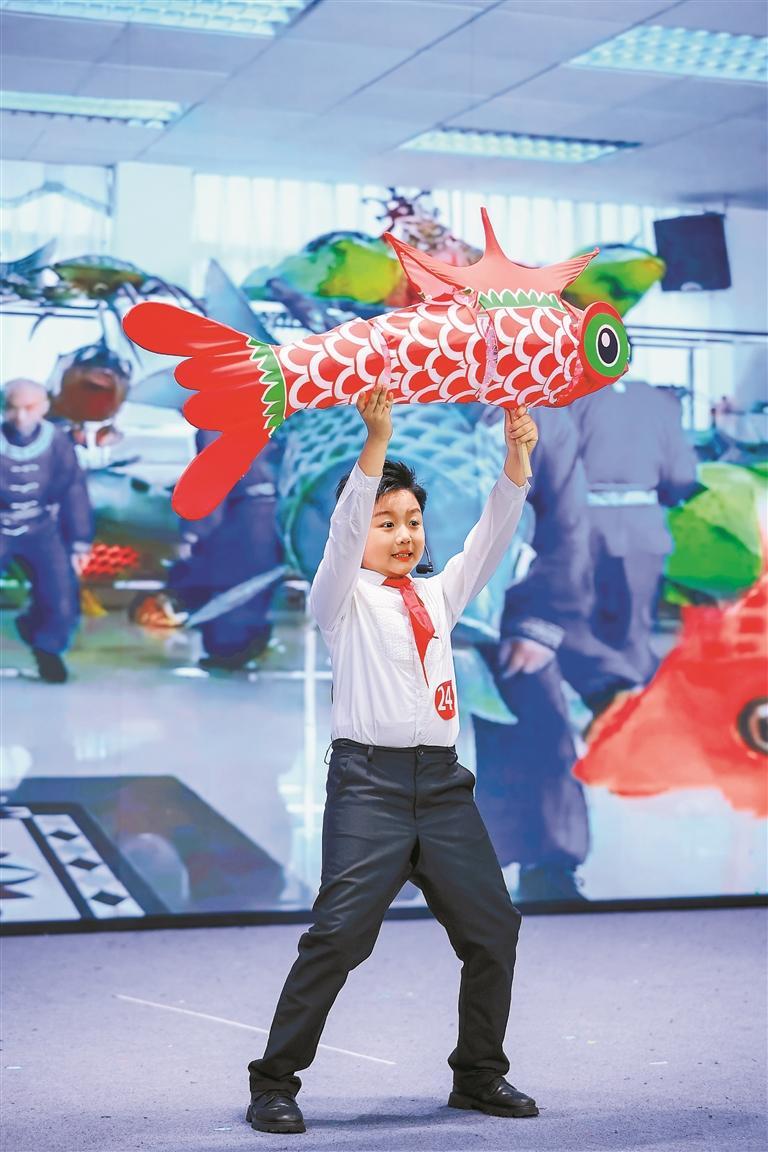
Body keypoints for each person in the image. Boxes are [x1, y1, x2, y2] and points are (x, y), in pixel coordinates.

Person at [246, 384, 539, 1134]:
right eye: (387, 522)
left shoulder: (439, 596)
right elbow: (346, 531)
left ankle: (479, 1075)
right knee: (338, 937)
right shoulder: (339, 597)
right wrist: (374, 445)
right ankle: (273, 1082)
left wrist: (515, 463)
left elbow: (490, 539)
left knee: (494, 930)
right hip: (368, 788)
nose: (403, 535)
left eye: (412, 521)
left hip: (442, 790)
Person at [471, 406, 594, 901]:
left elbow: (567, 526)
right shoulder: (395, 401)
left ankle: (548, 862)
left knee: (536, 725)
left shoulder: (545, 421)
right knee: (394, 742)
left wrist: (542, 623)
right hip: (407, 595)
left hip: (512, 602)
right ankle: (398, 868)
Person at [558, 378, 699, 720]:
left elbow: (553, 465)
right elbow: (682, 476)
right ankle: (641, 712)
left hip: (586, 524)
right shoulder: (660, 403)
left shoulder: (572, 400)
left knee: (583, 621)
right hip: (642, 526)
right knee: (637, 625)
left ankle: (596, 710)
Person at [0, 378, 93, 683]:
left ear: (43, 407)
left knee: (61, 595)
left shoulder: (57, 441)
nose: (20, 417)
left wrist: (79, 542)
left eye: (28, 408)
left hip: (40, 527)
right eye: (12, 408)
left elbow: (73, 491)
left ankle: (47, 648)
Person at [167, 429, 284, 670]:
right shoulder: (278, 416)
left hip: (241, 519)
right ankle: (246, 646)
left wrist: (194, 534)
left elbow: (213, 480)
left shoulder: (216, 426)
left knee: (232, 591)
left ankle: (229, 649)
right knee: (256, 590)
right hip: (276, 515)